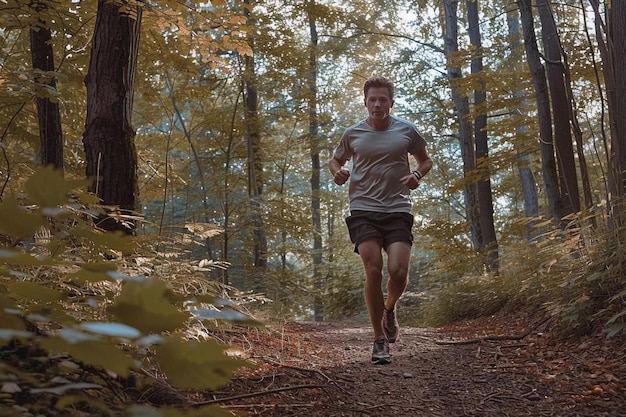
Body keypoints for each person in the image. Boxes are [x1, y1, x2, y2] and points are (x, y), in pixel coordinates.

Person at [329, 76, 433, 365]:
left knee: (398, 271)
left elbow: (425, 161)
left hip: (398, 208)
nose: (377, 104)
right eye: (372, 99)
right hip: (363, 209)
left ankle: (390, 309)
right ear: (365, 102)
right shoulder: (353, 133)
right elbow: (335, 160)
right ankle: (378, 340)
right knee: (373, 267)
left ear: (391, 102)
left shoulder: (406, 131)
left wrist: (417, 176)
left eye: (382, 99)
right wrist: (337, 172)